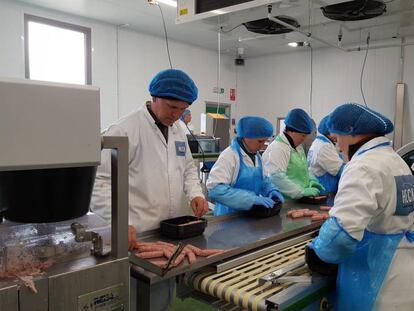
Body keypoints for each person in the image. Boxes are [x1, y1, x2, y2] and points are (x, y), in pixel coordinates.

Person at [90, 69, 209, 310]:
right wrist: (118, 223)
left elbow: (187, 168)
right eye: (171, 107)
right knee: (137, 297)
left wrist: (195, 193)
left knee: (163, 292)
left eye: (182, 110)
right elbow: (100, 182)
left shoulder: (177, 131)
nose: (176, 115)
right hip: (137, 235)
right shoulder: (124, 130)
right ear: (154, 97)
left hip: (168, 232)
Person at [309, 103, 414, 310]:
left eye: (338, 138)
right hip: (402, 273)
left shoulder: (363, 166)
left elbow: (340, 237)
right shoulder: (396, 161)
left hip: (375, 282)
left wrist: (316, 250)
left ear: (351, 133)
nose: (338, 147)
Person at [207, 116, 284, 216]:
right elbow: (215, 190)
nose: (262, 146)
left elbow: (264, 180)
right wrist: (250, 199)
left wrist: (271, 190)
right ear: (246, 137)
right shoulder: (230, 155)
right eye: (259, 141)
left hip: (250, 215)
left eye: (264, 141)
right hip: (229, 217)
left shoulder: (257, 157)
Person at [262, 108, 324, 200]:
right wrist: (301, 192)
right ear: (291, 131)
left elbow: (303, 168)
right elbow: (277, 178)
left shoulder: (297, 146)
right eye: (303, 135)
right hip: (284, 201)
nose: (304, 139)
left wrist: (310, 179)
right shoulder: (278, 148)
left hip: (297, 200)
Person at [307, 115, 345, 194]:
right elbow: (340, 170)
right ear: (330, 132)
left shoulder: (319, 142)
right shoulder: (324, 146)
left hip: (324, 189)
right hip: (325, 191)